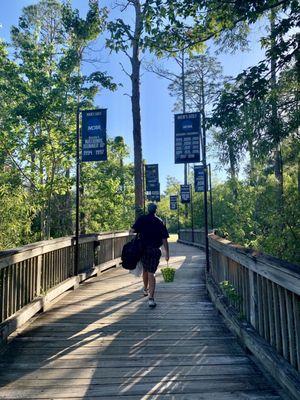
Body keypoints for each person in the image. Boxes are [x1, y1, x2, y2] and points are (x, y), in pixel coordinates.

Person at [130, 203, 169, 308]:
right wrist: (167, 253)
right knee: (151, 273)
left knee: (145, 270)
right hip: (155, 250)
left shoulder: (142, 219)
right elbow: (164, 238)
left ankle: (145, 288)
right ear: (156, 210)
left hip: (143, 250)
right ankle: (151, 299)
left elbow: (132, 231)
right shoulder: (160, 222)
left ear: (148, 210)